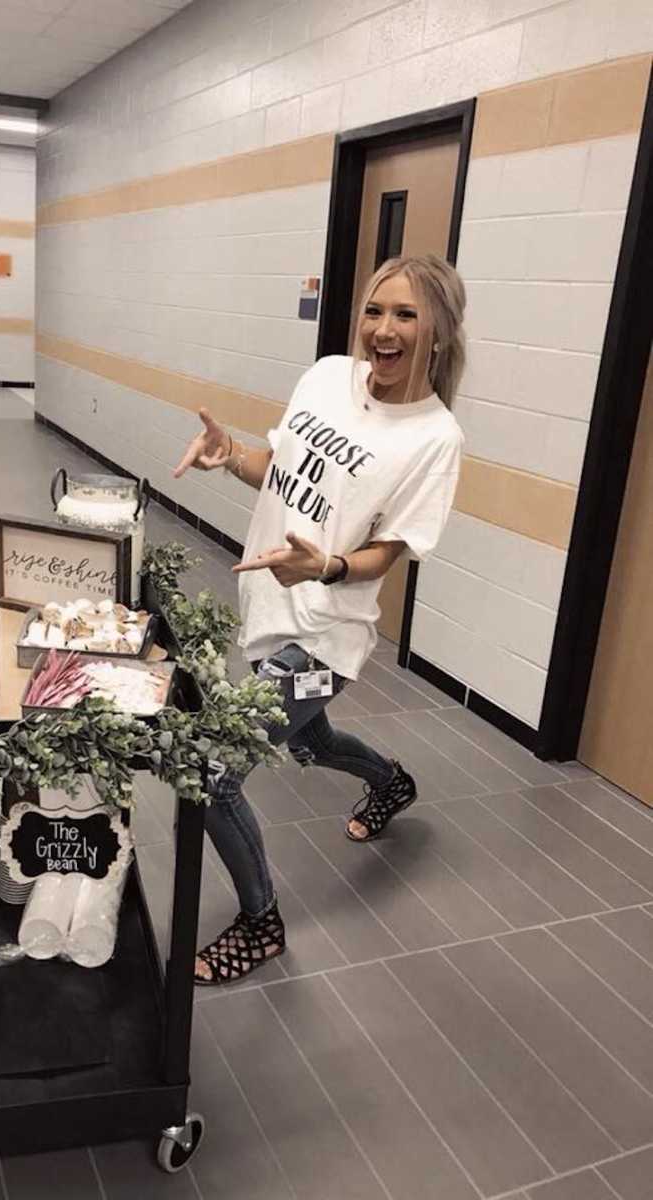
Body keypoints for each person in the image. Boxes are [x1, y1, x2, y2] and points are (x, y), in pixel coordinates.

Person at [173, 253, 466, 986]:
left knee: (211, 774)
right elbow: (279, 465)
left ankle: (262, 922)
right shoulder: (327, 375)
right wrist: (228, 454)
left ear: (440, 330)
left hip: (324, 638)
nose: (383, 330)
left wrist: (328, 566)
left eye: (405, 315)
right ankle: (392, 782)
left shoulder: (435, 438)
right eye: (374, 310)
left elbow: (384, 555)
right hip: (273, 607)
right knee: (311, 742)